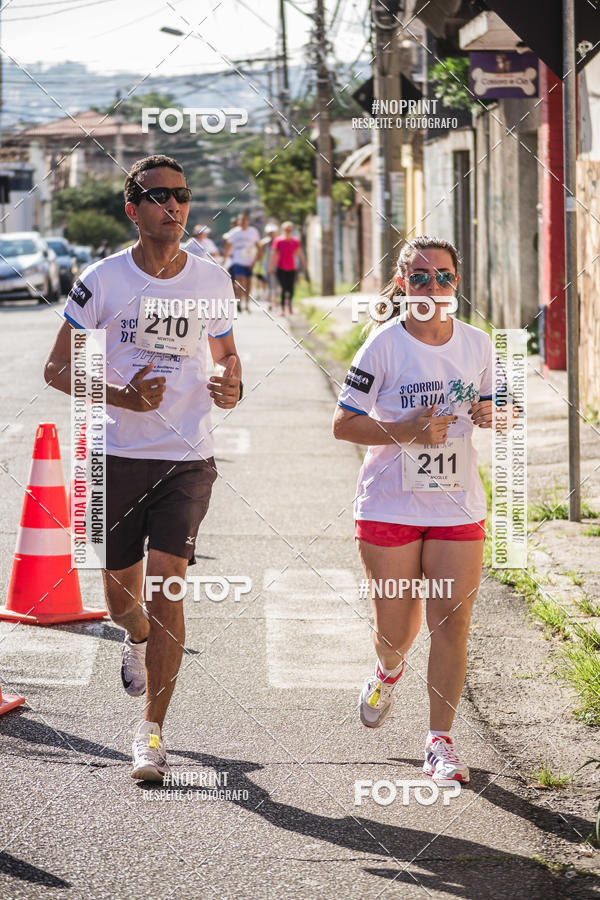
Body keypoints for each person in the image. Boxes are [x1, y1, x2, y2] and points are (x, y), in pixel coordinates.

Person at [44, 154, 242, 782]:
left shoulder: (214, 280)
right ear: (133, 208)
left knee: (166, 586)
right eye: (159, 197)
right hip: (114, 454)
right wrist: (124, 397)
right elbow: (55, 370)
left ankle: (151, 732)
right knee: (121, 601)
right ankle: (133, 641)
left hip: (186, 455)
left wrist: (229, 385)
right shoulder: (101, 280)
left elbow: (227, 358)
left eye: (182, 195)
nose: (174, 206)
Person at [333, 235, 501, 785]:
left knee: (451, 624)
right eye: (422, 278)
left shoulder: (479, 343)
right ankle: (387, 668)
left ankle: (440, 742)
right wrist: (402, 430)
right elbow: (343, 424)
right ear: (403, 284)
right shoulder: (382, 346)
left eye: (445, 277)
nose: (435, 287)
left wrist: (490, 411)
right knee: (397, 630)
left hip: (457, 504)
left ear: (458, 282)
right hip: (389, 503)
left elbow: (502, 404)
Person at [222, 213, 261, 312]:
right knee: (240, 282)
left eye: (245, 220)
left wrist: (256, 260)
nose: (243, 222)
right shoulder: (235, 232)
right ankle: (239, 302)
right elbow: (228, 246)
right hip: (238, 260)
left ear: (248, 221)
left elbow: (258, 246)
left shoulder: (253, 231)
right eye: (241, 220)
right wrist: (225, 259)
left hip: (249, 261)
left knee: (248, 284)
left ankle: (247, 304)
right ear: (239, 221)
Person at [268, 221, 306, 315]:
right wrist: (271, 267)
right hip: (280, 268)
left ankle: (290, 305)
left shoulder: (295, 241)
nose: (288, 231)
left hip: (292, 268)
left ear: (292, 230)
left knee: (291, 289)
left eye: (289, 230)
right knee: (284, 288)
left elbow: (300, 253)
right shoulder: (278, 241)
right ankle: (283, 308)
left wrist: (304, 264)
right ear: (282, 230)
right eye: (286, 229)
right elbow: (274, 255)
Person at [258, 224, 279, 310]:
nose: (271, 234)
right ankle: (270, 302)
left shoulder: (278, 242)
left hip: (277, 265)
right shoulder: (264, 243)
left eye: (272, 233)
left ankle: (276, 302)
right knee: (270, 285)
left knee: (277, 285)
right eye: (270, 233)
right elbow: (260, 255)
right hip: (267, 266)